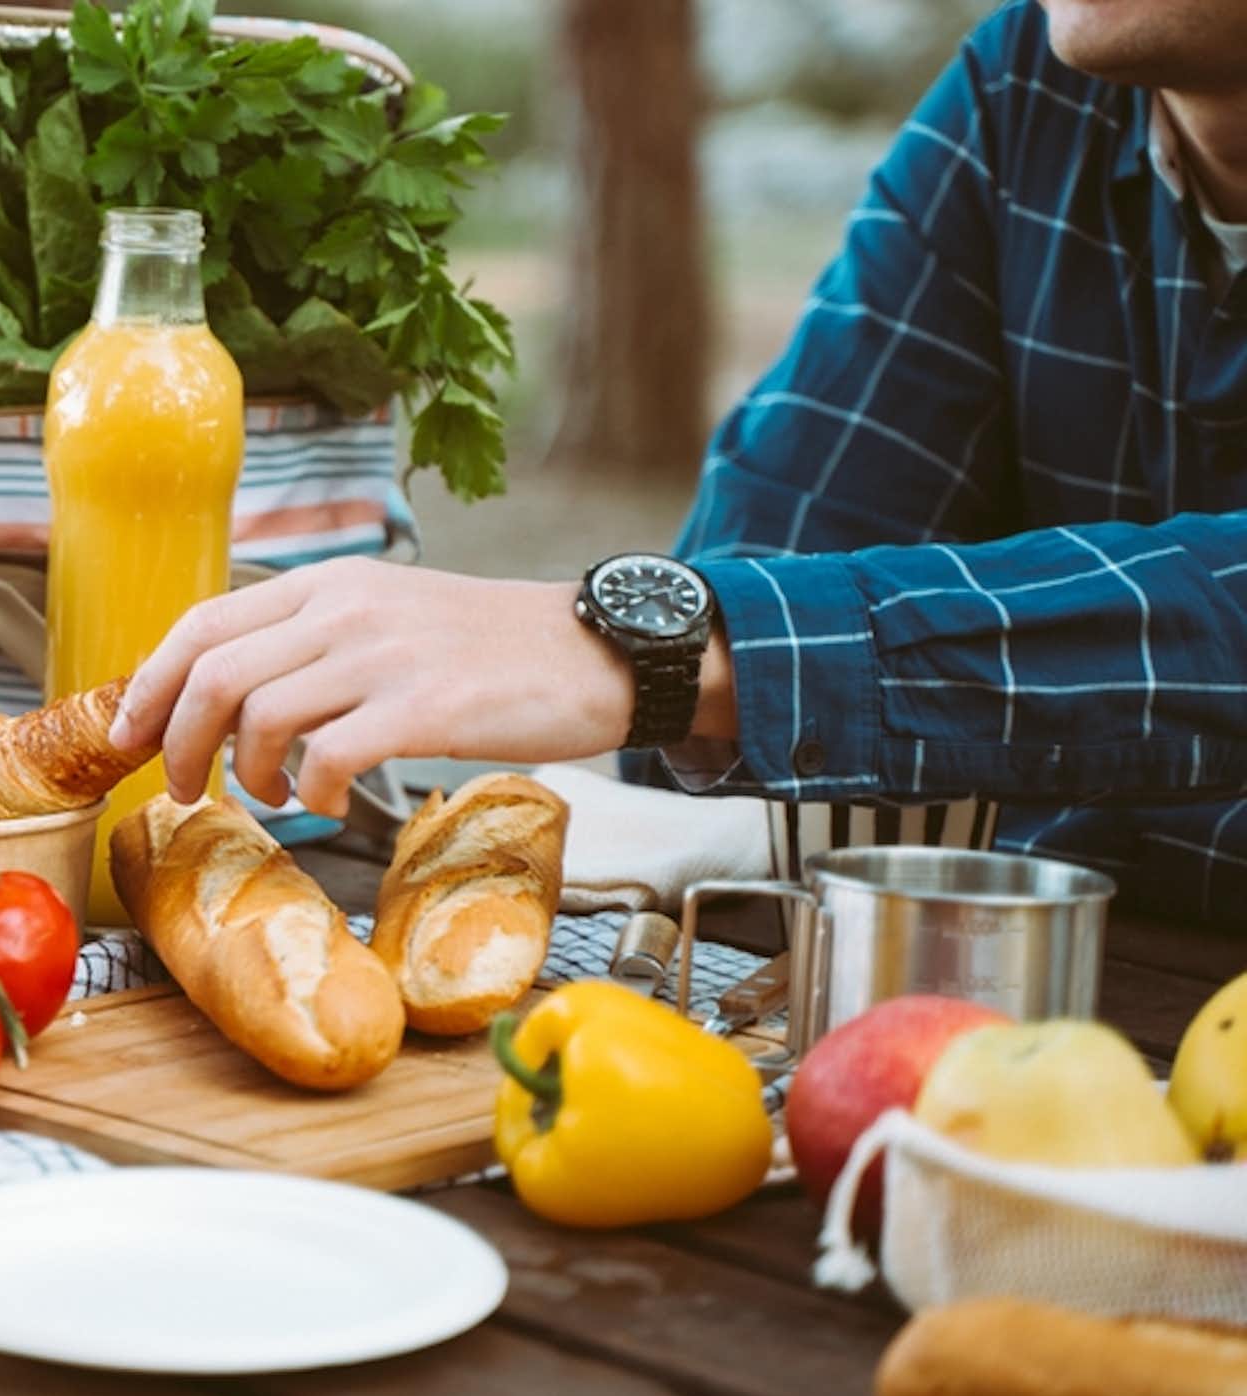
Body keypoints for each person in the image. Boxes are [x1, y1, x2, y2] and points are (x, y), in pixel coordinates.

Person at [110, 0, 1247, 929]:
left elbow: (735, 684)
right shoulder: (1024, 90)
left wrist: (681, 655)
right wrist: (678, 665)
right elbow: (744, 643)